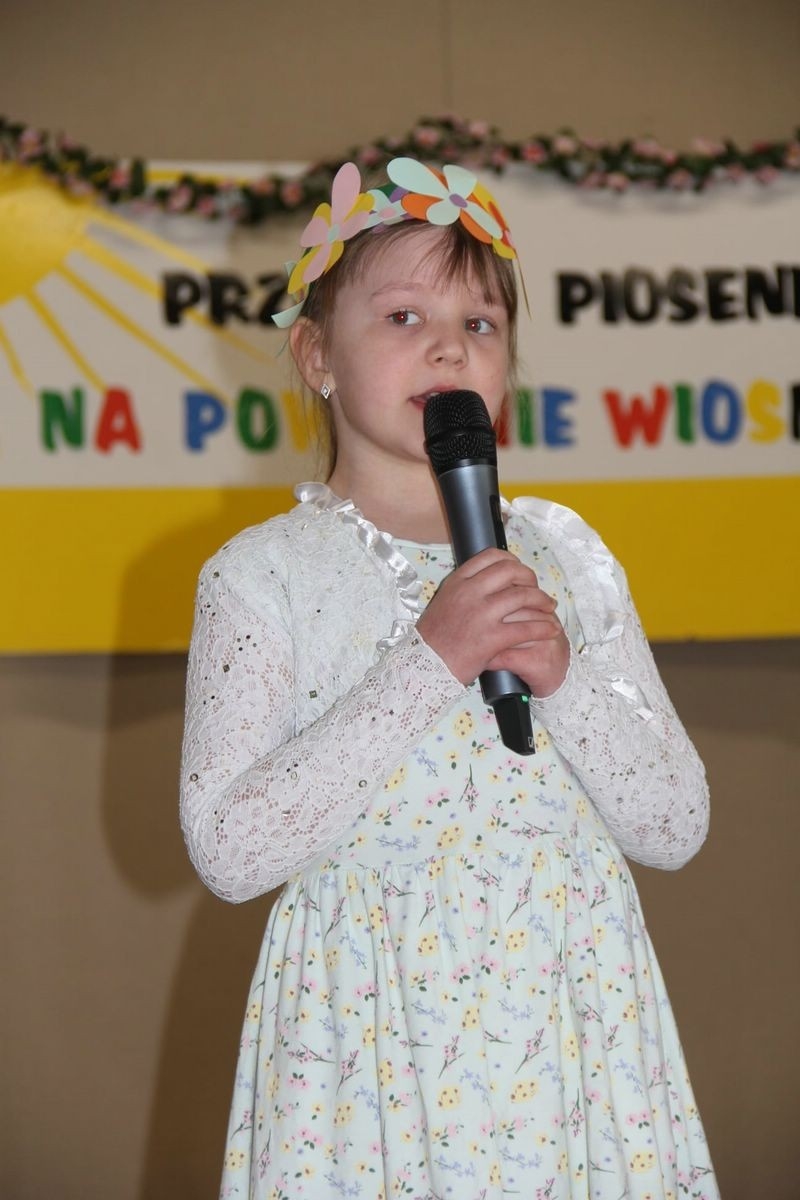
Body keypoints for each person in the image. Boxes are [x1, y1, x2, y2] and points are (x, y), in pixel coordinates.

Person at [180, 157, 719, 1199]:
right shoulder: (262, 575)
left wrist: (563, 682)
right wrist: (431, 661)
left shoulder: (566, 557)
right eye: (402, 317)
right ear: (315, 355)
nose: (447, 345)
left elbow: (674, 825)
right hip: (367, 1043)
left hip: (571, 1023)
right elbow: (231, 852)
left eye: (480, 323)